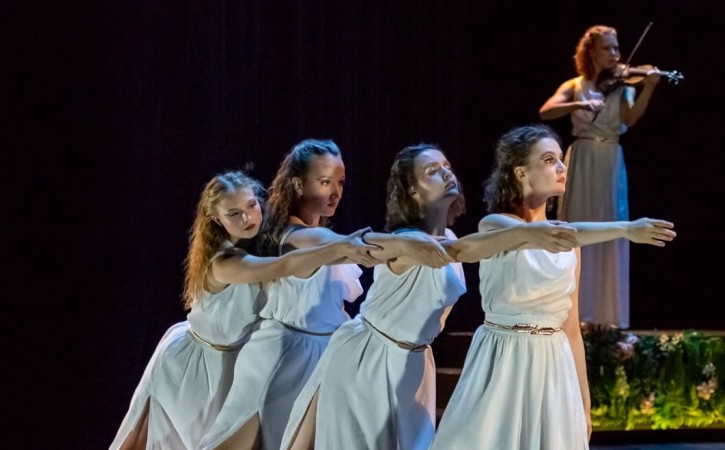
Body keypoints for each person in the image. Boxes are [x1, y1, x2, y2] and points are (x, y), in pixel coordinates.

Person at [279, 144, 581, 450]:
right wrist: (528, 234)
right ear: (412, 189)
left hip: (415, 361)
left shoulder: (450, 238)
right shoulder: (406, 240)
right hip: (370, 358)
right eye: (432, 171)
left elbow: (464, 251)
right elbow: (452, 249)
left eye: (447, 167)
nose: (446, 173)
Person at [430, 124, 675, 450]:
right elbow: (547, 235)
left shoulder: (569, 245)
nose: (561, 167)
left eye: (560, 159)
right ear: (521, 172)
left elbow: (571, 328)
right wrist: (625, 228)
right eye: (549, 160)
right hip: (505, 355)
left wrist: (583, 402)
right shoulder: (497, 225)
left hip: (553, 362)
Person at [200, 140, 449, 450]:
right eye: (324, 182)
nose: (336, 192)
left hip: (323, 353)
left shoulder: (310, 232)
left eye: (340, 182)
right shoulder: (296, 236)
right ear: (298, 184)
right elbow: (347, 245)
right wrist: (408, 244)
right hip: (284, 357)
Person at [109, 171, 377, 450]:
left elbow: (301, 246)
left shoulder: (263, 241)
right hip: (197, 368)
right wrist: (340, 248)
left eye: (251, 205)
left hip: (236, 361)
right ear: (216, 219)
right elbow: (283, 266)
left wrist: (346, 247)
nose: (247, 218)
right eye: (234, 214)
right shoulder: (223, 263)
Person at [538, 25, 663, 328]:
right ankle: (576, 316)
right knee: (578, 227)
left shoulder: (622, 85)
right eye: (608, 48)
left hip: (609, 157)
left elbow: (630, 118)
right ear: (591, 52)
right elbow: (546, 111)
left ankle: (608, 319)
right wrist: (580, 103)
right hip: (582, 157)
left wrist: (649, 87)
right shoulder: (575, 85)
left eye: (617, 48)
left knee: (611, 227)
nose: (615, 54)